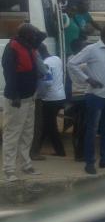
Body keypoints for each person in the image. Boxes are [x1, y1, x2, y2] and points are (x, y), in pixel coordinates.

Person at [68, 26, 105, 175]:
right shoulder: (92, 49)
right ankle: (89, 162)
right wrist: (88, 79)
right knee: (92, 130)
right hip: (96, 96)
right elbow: (72, 63)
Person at [2, 24, 45, 181]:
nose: (35, 37)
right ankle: (9, 169)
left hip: (29, 97)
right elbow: (9, 73)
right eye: (32, 34)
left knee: (27, 133)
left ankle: (26, 165)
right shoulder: (11, 48)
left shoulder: (29, 45)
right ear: (25, 35)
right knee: (12, 134)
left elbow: (43, 35)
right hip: (17, 99)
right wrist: (15, 96)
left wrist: (34, 30)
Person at [31, 43, 66, 157]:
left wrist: (38, 95)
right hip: (60, 96)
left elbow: (47, 82)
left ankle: (60, 151)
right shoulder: (57, 59)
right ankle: (36, 148)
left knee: (50, 126)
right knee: (46, 124)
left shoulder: (45, 63)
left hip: (49, 98)